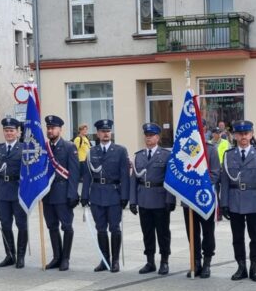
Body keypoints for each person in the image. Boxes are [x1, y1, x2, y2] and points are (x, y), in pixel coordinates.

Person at [221, 120, 256, 282]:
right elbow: (225, 181)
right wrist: (224, 204)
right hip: (235, 201)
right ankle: (241, 266)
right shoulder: (228, 155)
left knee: (255, 236)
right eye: (240, 133)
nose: (243, 136)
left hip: (254, 202)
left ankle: (254, 267)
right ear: (234, 136)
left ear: (251, 134)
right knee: (237, 237)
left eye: (246, 133)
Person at [81, 119, 129, 272]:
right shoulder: (92, 151)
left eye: (108, 131)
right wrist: (84, 195)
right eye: (102, 131)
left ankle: (115, 261)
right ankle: (104, 260)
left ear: (111, 133)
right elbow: (87, 175)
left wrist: (124, 196)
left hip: (114, 193)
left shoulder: (120, 150)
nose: (105, 134)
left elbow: (125, 176)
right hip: (96, 194)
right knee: (100, 229)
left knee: (114, 228)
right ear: (98, 134)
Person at [129, 122, 175, 275]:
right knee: (147, 232)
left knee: (163, 232)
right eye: (146, 136)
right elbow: (134, 180)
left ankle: (164, 261)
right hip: (143, 198)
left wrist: (170, 200)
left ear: (158, 137)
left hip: (160, 198)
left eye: (151, 136)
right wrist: (133, 201)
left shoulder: (166, 155)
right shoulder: (139, 156)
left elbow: (170, 179)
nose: (148, 139)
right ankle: (150, 261)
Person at [0, 117, 28, 268]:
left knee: (21, 224)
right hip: (1, 192)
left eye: (12, 130)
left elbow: (29, 173)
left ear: (18, 132)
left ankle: (21, 256)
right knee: (5, 224)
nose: (9, 133)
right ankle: (10, 254)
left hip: (18, 191)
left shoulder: (24, 148)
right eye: (6, 130)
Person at [42, 115, 80, 271]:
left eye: (53, 128)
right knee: (51, 226)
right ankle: (56, 257)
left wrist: (73, 194)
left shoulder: (69, 147)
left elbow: (74, 172)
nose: (50, 131)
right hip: (47, 194)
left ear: (60, 129)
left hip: (63, 192)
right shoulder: (43, 147)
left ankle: (65, 258)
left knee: (67, 226)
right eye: (48, 128)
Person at [183, 131, 220, 279]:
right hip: (189, 198)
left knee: (208, 232)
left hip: (204, 198)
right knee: (192, 232)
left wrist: (200, 185)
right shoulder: (186, 148)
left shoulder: (210, 150)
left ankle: (207, 262)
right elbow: (181, 171)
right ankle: (196, 262)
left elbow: (216, 173)